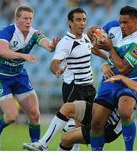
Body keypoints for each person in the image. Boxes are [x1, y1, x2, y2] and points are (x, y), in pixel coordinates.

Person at [22, 65, 137, 151]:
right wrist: (105, 67)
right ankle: (43, 144)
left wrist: (122, 78)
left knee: (66, 139)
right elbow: (110, 67)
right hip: (99, 109)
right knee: (67, 108)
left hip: (109, 127)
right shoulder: (136, 76)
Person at [0, 5, 59, 150]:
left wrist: (53, 45)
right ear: (17, 18)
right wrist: (23, 55)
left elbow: (48, 46)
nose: (28, 21)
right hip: (1, 77)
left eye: (30, 18)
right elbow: (0, 51)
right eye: (25, 18)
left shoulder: (34, 34)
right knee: (12, 116)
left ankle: (36, 144)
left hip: (19, 77)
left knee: (34, 114)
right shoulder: (8, 31)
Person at [87, 6, 137, 151]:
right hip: (109, 79)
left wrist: (109, 49)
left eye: (126, 22)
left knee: (125, 112)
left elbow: (123, 69)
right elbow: (93, 45)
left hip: (129, 81)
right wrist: (91, 32)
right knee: (96, 123)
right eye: (120, 21)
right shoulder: (111, 26)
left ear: (135, 22)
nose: (121, 25)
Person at [50, 7, 108, 151]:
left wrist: (108, 58)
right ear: (70, 23)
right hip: (74, 87)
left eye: (84, 20)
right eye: (78, 20)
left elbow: (91, 48)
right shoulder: (66, 42)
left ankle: (60, 143)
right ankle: (43, 143)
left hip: (88, 86)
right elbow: (54, 62)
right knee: (77, 124)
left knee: (81, 125)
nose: (82, 23)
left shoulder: (85, 37)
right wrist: (56, 70)